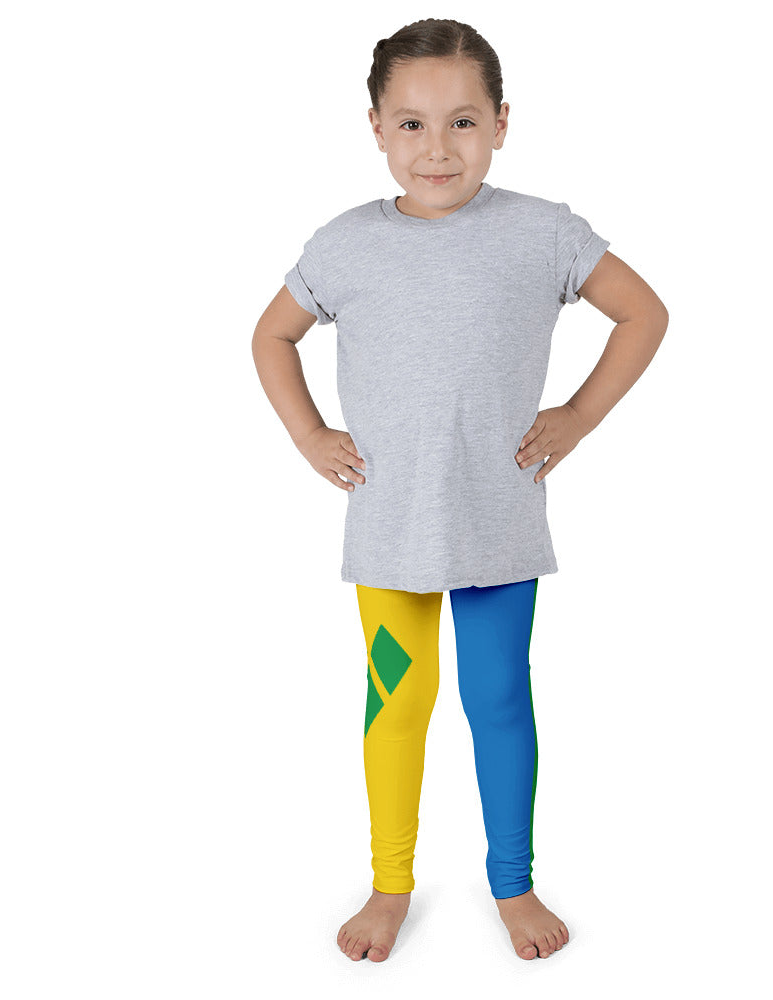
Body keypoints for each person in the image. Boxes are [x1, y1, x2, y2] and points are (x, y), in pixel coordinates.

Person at [251, 18, 668, 964]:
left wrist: (579, 416)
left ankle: (512, 883)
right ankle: (389, 884)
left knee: (499, 700)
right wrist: (309, 434)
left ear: (502, 123)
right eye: (411, 123)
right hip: (391, 530)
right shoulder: (345, 245)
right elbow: (270, 336)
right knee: (396, 706)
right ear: (376, 128)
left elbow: (644, 313)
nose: (436, 148)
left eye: (463, 122)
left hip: (497, 527)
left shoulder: (542, 233)